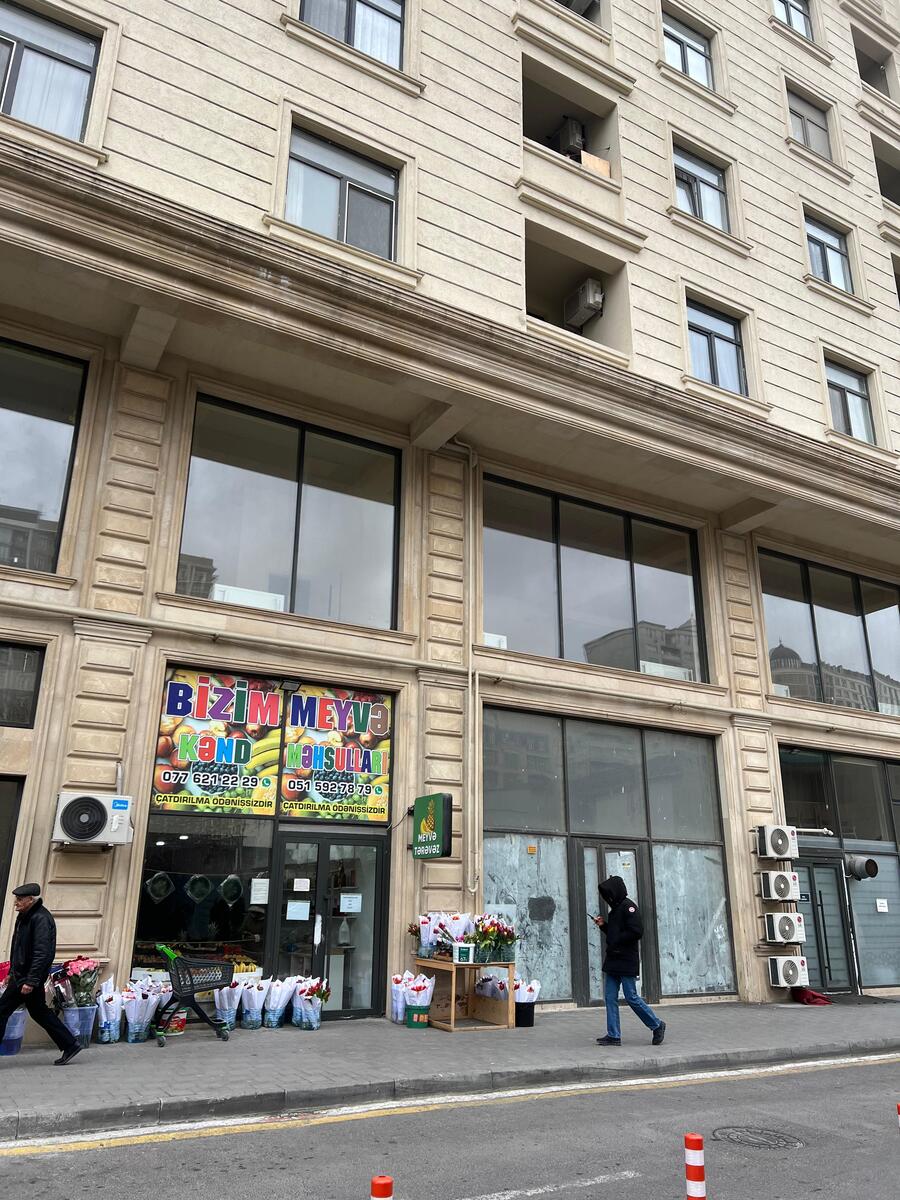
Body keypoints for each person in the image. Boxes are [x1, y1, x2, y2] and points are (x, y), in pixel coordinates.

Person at [0, 884, 81, 1065]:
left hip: (27, 978)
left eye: (20, 899)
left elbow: (42, 953)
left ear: (30, 900)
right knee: (39, 1012)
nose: (16, 902)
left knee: (2, 1010)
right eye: (16, 899)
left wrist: (31, 980)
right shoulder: (25, 916)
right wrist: (12, 972)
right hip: (22, 975)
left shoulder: (41, 918)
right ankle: (70, 1044)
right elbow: (18, 949)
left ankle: (70, 1044)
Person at [592, 875, 666, 1047]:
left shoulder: (629, 907)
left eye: (609, 894)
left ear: (616, 891)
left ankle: (657, 1025)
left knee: (631, 996)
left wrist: (617, 938)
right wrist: (603, 925)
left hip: (626, 960)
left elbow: (636, 931)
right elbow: (614, 935)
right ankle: (614, 1035)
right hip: (613, 960)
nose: (608, 897)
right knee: (610, 997)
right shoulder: (615, 910)